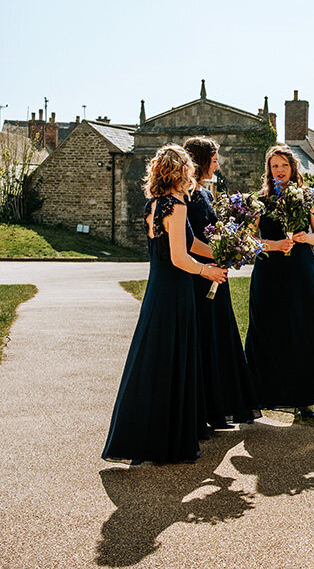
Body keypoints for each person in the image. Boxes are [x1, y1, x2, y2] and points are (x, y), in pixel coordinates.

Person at [102, 145, 228, 465]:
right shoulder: (178, 205)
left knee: (153, 363)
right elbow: (179, 257)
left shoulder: (152, 205)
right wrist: (207, 269)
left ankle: (143, 436)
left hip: (156, 290)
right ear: (181, 172)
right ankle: (170, 441)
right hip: (175, 290)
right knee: (173, 361)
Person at [245, 145, 314, 418]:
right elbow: (250, 240)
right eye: (274, 166)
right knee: (267, 327)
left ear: (292, 167)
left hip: (300, 269)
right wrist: (274, 245)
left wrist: (305, 238)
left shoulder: (308, 197)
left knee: (304, 326)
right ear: (269, 169)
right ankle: (261, 394)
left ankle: (306, 397)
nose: (279, 171)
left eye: (284, 165)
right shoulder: (259, 201)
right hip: (269, 270)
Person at [182, 136, 261, 429]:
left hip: (216, 271)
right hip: (200, 275)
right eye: (214, 160)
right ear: (201, 162)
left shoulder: (204, 193)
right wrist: (220, 253)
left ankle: (217, 408)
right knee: (205, 337)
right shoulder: (188, 195)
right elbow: (191, 241)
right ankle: (204, 411)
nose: (218, 165)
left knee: (218, 336)